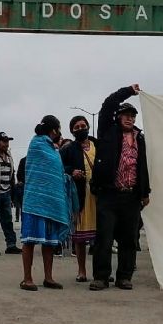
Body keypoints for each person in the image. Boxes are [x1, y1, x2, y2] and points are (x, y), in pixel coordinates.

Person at [89, 85, 151, 291]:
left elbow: (142, 166)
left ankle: (124, 276)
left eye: (132, 116)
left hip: (131, 197)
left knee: (129, 239)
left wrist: (145, 192)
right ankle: (101, 277)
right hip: (108, 194)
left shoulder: (139, 138)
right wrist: (128, 90)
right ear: (117, 117)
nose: (130, 119)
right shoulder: (107, 130)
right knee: (104, 238)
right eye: (125, 115)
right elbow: (108, 105)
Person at [19, 115, 76, 291]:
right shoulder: (36, 144)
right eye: (59, 129)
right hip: (34, 202)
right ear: (54, 130)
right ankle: (27, 278)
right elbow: (37, 171)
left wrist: (65, 178)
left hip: (51, 203)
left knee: (49, 243)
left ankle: (48, 278)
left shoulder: (54, 149)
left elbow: (54, 173)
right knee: (29, 241)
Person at [60, 115, 98, 282]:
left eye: (83, 125)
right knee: (80, 237)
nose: (81, 129)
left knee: (102, 236)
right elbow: (60, 167)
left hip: (99, 195)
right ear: (72, 131)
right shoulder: (68, 149)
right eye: (77, 127)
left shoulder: (98, 144)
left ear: (88, 126)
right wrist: (71, 171)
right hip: (79, 196)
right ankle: (81, 271)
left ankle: (100, 271)